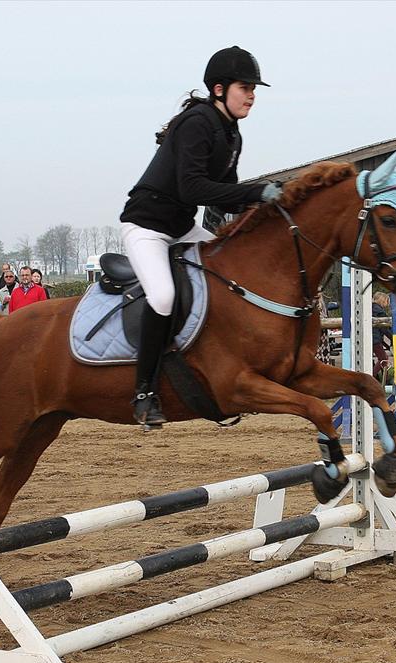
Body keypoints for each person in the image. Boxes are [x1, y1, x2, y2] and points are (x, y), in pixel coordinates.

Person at [119, 45, 282, 428]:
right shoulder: (197, 123)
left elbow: (225, 193)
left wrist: (266, 215)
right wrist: (255, 193)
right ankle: (143, 392)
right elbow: (194, 189)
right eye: (246, 87)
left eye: (254, 88)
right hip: (147, 228)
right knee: (162, 296)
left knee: (231, 276)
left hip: (180, 229)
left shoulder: (231, 133)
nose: (253, 95)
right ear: (220, 89)